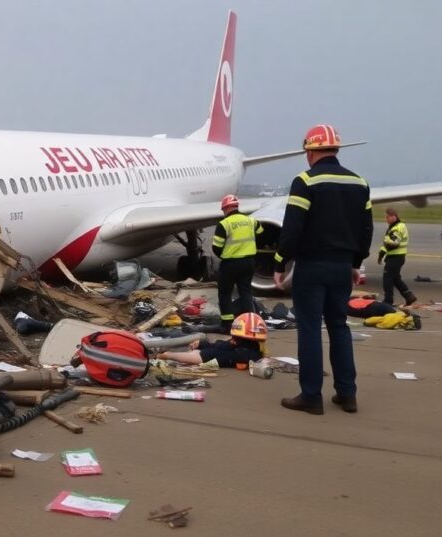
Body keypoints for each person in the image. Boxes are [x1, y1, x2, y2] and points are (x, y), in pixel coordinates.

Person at [273, 124, 373, 415]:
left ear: (311, 151)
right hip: (342, 266)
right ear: (336, 149)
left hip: (312, 266)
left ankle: (311, 396)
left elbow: (292, 229)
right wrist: (356, 262)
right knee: (339, 326)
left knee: (310, 329)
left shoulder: (305, 181)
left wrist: (280, 262)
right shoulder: (359, 182)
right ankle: (347, 394)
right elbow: (366, 229)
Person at [212, 194, 263, 330]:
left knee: (225, 293)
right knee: (245, 291)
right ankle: (249, 323)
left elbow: (216, 247)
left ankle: (227, 324)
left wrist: (225, 255)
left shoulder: (224, 224)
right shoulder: (251, 221)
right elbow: (262, 233)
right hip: (249, 262)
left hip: (230, 264)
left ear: (226, 209)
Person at [158, 312, 267, 367]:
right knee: (205, 350)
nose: (233, 340)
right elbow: (224, 345)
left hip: (218, 356)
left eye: (236, 338)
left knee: (203, 354)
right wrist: (203, 344)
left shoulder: (243, 354)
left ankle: (166, 354)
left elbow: (205, 356)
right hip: (225, 352)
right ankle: (168, 354)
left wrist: (168, 355)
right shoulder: (253, 349)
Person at [377, 208, 417, 306]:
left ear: (393, 216)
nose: (386, 219)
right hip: (398, 257)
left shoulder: (396, 228)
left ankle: (388, 300)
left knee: (387, 278)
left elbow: (394, 243)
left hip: (395, 257)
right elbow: (388, 243)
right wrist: (383, 250)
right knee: (395, 278)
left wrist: (383, 251)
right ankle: (409, 296)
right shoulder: (399, 226)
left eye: (387, 217)